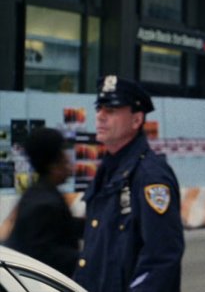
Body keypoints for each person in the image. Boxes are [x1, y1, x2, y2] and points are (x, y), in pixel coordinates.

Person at [74, 75, 184, 292]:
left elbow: (162, 259)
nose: (100, 117)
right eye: (99, 109)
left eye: (111, 111)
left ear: (136, 120)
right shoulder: (108, 170)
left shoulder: (150, 176)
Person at [5, 128, 84, 277]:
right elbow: (49, 256)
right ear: (53, 164)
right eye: (63, 154)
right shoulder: (45, 204)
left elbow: (62, 226)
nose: (68, 160)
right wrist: (89, 259)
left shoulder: (37, 194)